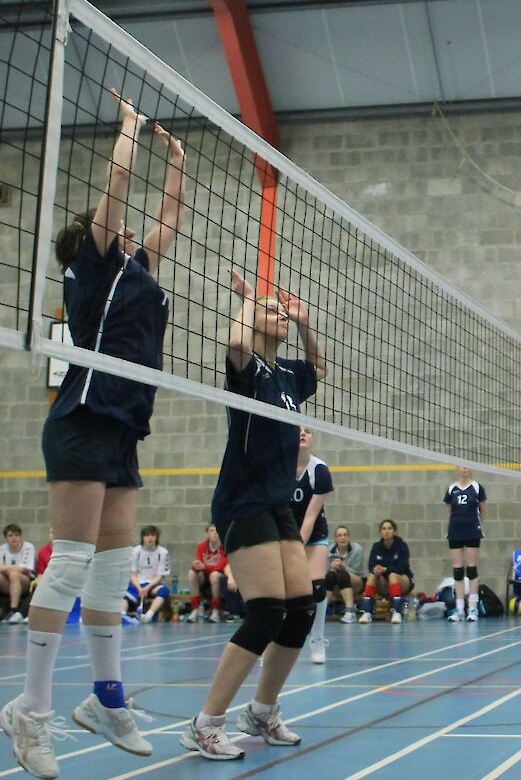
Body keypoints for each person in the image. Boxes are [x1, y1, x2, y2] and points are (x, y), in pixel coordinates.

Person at [3, 92, 183, 779]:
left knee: (112, 569)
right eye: (116, 228)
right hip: (81, 419)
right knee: (71, 564)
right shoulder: (93, 270)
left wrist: (179, 163)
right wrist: (128, 133)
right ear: (94, 242)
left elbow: (167, 218)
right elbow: (114, 189)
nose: (133, 231)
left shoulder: (137, 274)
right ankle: (31, 710)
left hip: (123, 428)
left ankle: (106, 700)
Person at [178, 268, 325, 761]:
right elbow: (235, 342)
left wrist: (303, 322)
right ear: (252, 320)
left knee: (301, 609)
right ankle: (206, 723)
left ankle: (262, 710)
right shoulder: (246, 372)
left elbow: (318, 368)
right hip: (242, 500)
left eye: (280, 311)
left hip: (276, 499)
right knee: (265, 611)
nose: (279, 316)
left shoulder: (286, 375)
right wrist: (247, 299)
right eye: (272, 312)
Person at [292, 428, 334, 664]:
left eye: (307, 431)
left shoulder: (320, 470)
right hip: (285, 532)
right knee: (281, 592)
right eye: (298, 430)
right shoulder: (280, 466)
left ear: (312, 438)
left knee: (317, 588)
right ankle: (274, 643)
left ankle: (317, 640)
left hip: (314, 534)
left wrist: (297, 547)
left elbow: (310, 517)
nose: (302, 434)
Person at [443, 466, 487, 622]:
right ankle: (459, 608)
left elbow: (483, 509)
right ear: (457, 469)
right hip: (455, 530)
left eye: (467, 466)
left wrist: (476, 524)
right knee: (457, 570)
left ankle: (473, 607)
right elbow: (449, 509)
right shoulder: (451, 488)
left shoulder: (476, 487)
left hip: (472, 530)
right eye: (461, 466)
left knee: (472, 569)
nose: (464, 469)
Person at [362, 519, 413, 624]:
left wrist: (386, 569)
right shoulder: (376, 546)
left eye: (389, 528)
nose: (387, 531)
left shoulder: (402, 546)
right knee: (371, 576)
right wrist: (375, 570)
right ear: (380, 532)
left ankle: (397, 612)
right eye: (384, 529)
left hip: (403, 580)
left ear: (394, 531)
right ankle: (367, 612)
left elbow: (402, 567)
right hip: (384, 583)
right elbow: (371, 565)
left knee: (392, 575)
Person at [124, 527, 171, 625]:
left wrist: (147, 587)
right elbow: (132, 574)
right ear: (142, 537)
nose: (150, 538)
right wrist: (139, 588)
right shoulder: (135, 551)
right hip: (137, 584)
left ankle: (149, 615)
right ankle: (123, 614)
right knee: (124, 594)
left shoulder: (163, 552)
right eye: (147, 535)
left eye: (153, 535)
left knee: (164, 591)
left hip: (153, 584)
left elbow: (160, 575)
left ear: (157, 537)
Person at [187, 525, 229, 624]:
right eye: (211, 531)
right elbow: (198, 564)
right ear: (207, 533)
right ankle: (195, 609)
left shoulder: (224, 546)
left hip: (220, 578)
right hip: (205, 578)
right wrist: (195, 565)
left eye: (216, 531)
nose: (214, 533)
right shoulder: (201, 547)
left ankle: (216, 610)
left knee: (214, 575)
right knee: (192, 573)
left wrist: (205, 567)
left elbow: (221, 566)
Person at [326, 526, 365, 624]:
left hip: (356, 581)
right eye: (339, 535)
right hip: (336, 584)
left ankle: (350, 611)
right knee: (330, 576)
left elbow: (357, 571)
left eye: (345, 535)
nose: (342, 538)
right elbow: (323, 572)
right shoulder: (328, 551)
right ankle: (322, 612)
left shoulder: (357, 550)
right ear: (335, 539)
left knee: (342, 575)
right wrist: (332, 567)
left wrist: (344, 567)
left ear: (349, 537)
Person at [1, 525, 36, 624]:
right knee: (11, 574)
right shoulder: (2, 549)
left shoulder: (28, 547)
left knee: (14, 575)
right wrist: (14, 569)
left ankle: (13, 610)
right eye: (10, 535)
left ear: (20, 536)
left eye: (16, 535)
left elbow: (25, 569)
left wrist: (7, 569)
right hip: (7, 582)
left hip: (25, 582)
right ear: (6, 538)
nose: (14, 538)